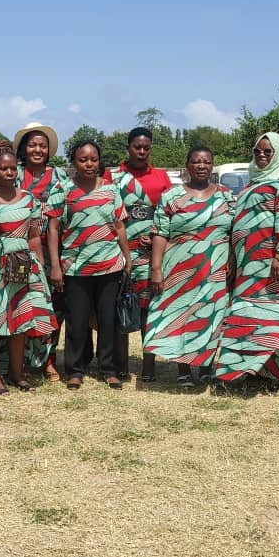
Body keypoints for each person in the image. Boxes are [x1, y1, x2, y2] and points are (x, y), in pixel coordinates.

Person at [213, 133, 279, 389]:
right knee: (248, 316)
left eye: (268, 152)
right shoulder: (252, 182)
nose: (262, 156)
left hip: (272, 264)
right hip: (247, 264)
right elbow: (237, 225)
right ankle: (252, 371)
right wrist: (233, 255)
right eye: (258, 152)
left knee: (271, 315)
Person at [0, 147, 58, 393]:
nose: (9, 173)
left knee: (20, 319)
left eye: (12, 168)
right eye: (3, 168)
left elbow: (35, 236)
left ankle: (17, 373)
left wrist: (39, 269)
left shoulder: (29, 199)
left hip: (24, 263)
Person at [143, 146, 233, 386]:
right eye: (196, 162)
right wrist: (156, 268)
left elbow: (235, 232)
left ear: (212, 165)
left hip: (215, 268)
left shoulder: (225, 195)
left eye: (206, 161)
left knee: (211, 316)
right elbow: (160, 233)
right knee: (182, 314)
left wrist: (232, 260)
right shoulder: (171, 196)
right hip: (180, 268)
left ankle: (206, 367)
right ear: (187, 166)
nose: (201, 166)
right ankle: (183, 369)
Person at [51, 140, 131, 390]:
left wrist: (127, 259)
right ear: (74, 162)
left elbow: (119, 227)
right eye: (83, 159)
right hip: (75, 267)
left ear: (99, 161)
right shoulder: (62, 189)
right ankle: (75, 370)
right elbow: (53, 229)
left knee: (108, 320)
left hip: (109, 265)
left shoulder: (111, 190)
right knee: (77, 320)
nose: (89, 164)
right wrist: (55, 265)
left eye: (93, 159)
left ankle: (108, 369)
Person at [106, 126, 173, 382]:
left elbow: (168, 214)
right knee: (119, 306)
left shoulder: (161, 177)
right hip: (119, 251)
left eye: (146, 147)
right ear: (128, 147)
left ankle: (148, 365)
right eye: (137, 147)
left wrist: (155, 236)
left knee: (148, 310)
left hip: (149, 253)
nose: (142, 151)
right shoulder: (113, 176)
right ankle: (121, 365)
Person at [14, 122, 68, 380]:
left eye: (42, 145)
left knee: (52, 306)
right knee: (21, 304)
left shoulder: (60, 177)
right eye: (32, 145)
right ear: (24, 149)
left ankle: (49, 360)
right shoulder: (14, 174)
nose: (37, 149)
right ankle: (18, 361)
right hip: (20, 250)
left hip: (53, 250)